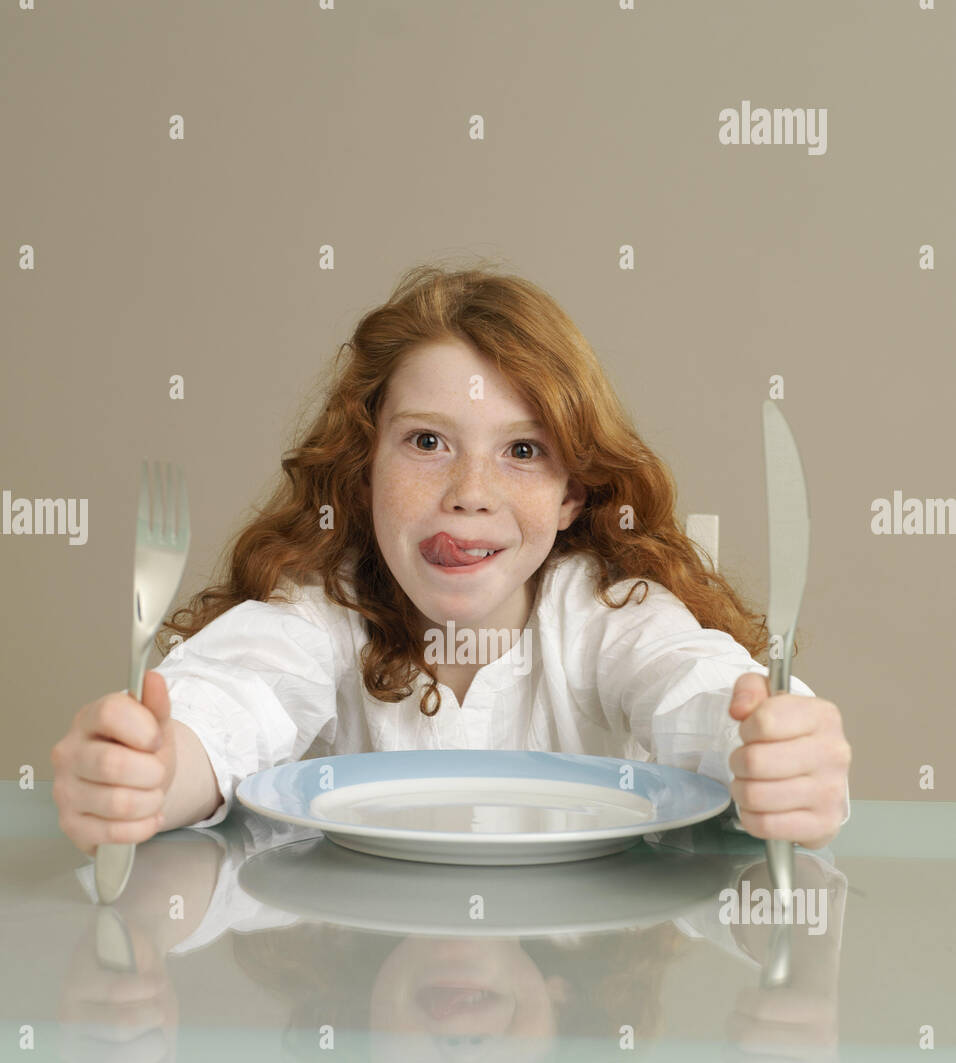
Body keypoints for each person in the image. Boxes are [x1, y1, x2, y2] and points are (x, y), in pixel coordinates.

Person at [51, 262, 852, 857]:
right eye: (427, 442)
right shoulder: (320, 612)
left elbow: (697, 686)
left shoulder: (608, 613)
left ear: (574, 495)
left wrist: (774, 753)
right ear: (365, 469)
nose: (470, 492)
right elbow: (231, 699)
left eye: (523, 450)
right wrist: (152, 769)